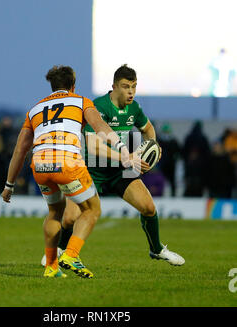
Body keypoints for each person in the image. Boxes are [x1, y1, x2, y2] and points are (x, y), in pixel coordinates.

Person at [41, 64, 185, 267]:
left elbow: (148, 128)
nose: (131, 92)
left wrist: (153, 146)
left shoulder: (134, 108)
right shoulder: (98, 106)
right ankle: (59, 253)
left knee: (149, 208)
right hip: (92, 170)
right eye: (126, 86)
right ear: (114, 87)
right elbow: (93, 146)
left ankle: (157, 250)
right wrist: (126, 158)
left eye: (134, 86)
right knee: (70, 218)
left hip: (120, 172)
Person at [1, 65, 136, 278]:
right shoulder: (81, 101)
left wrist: (9, 185)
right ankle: (71, 254)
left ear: (52, 86)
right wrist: (123, 149)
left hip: (40, 165)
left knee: (55, 212)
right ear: (73, 86)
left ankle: (51, 267)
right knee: (92, 209)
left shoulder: (35, 109)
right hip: (67, 163)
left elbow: (20, 150)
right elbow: (100, 126)